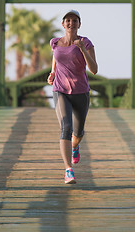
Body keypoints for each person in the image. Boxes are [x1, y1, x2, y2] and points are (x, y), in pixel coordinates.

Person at [47, 10, 98, 184]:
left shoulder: (86, 42)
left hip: (81, 92)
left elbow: (94, 69)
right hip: (60, 90)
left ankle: (75, 146)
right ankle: (68, 170)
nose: (71, 23)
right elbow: (56, 57)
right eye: (68, 20)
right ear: (63, 24)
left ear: (79, 24)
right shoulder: (55, 42)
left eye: (74, 20)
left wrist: (82, 49)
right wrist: (53, 71)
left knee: (78, 132)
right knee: (66, 128)